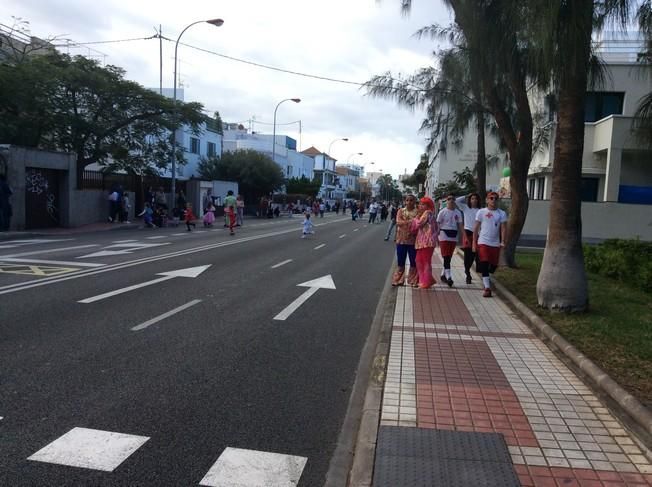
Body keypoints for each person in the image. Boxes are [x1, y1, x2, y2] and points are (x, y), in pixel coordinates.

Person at [473, 191, 508, 298]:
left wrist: (503, 241)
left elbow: (503, 228)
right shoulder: (481, 212)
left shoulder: (501, 213)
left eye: (495, 198)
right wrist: (474, 243)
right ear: (487, 200)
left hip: (495, 243)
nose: (493, 200)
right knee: (484, 263)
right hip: (483, 241)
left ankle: (487, 278)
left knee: (493, 266)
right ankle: (487, 288)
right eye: (491, 198)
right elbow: (476, 228)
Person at [437, 194, 464, 287]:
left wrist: (464, 237)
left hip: (454, 235)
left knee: (449, 256)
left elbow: (460, 225)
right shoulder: (442, 212)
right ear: (446, 201)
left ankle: (443, 274)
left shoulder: (458, 212)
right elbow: (438, 224)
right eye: (449, 199)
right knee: (446, 256)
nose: (451, 200)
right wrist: (436, 235)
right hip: (444, 234)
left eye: (453, 199)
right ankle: (449, 277)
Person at [392, 195, 419, 286]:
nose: (409, 202)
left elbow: (418, 223)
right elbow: (398, 222)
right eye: (407, 200)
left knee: (413, 261)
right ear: (405, 201)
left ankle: (413, 280)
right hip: (401, 240)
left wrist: (407, 222)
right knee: (400, 261)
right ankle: (398, 280)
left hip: (413, 241)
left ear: (414, 201)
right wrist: (411, 222)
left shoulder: (418, 212)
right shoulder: (401, 211)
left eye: (411, 200)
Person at [456, 193, 482, 284]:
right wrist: (467, 195)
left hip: (478, 234)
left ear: (478, 200)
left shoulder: (481, 210)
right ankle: (468, 273)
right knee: (468, 255)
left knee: (475, 254)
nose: (474, 200)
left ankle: (479, 271)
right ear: (470, 200)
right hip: (468, 233)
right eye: (472, 199)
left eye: (476, 199)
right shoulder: (466, 208)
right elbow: (457, 201)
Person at [414, 197, 438, 289]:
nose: (420, 206)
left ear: (428, 206)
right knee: (419, 260)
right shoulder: (429, 214)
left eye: (423, 204)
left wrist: (416, 219)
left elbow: (419, 224)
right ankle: (426, 280)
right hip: (424, 241)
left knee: (424, 261)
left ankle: (425, 282)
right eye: (420, 204)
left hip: (426, 241)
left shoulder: (427, 213)